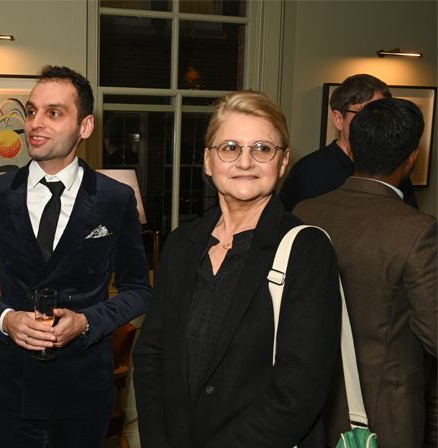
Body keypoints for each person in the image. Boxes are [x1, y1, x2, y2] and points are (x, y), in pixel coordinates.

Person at [133, 91, 341, 447]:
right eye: (230, 147)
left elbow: (298, 393)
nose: (245, 162)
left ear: (283, 162)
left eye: (262, 149)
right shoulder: (182, 243)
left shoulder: (307, 250)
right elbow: (151, 355)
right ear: (208, 161)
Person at [0, 65, 151, 448]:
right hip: (10, 389)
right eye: (31, 111)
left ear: (85, 126)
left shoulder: (115, 199)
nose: (35, 124)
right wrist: (6, 319)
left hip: (83, 392)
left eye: (54, 112)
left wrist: (86, 322)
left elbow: (138, 290)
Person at [295, 97, 437, 448]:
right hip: (385, 410)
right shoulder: (418, 231)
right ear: (412, 158)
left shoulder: (305, 212)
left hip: (309, 394)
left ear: (353, 149)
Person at [279, 74, 418, 211]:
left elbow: (408, 217)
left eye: (382, 114)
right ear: (338, 119)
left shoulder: (394, 167)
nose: (375, 122)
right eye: (364, 113)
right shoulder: (309, 171)